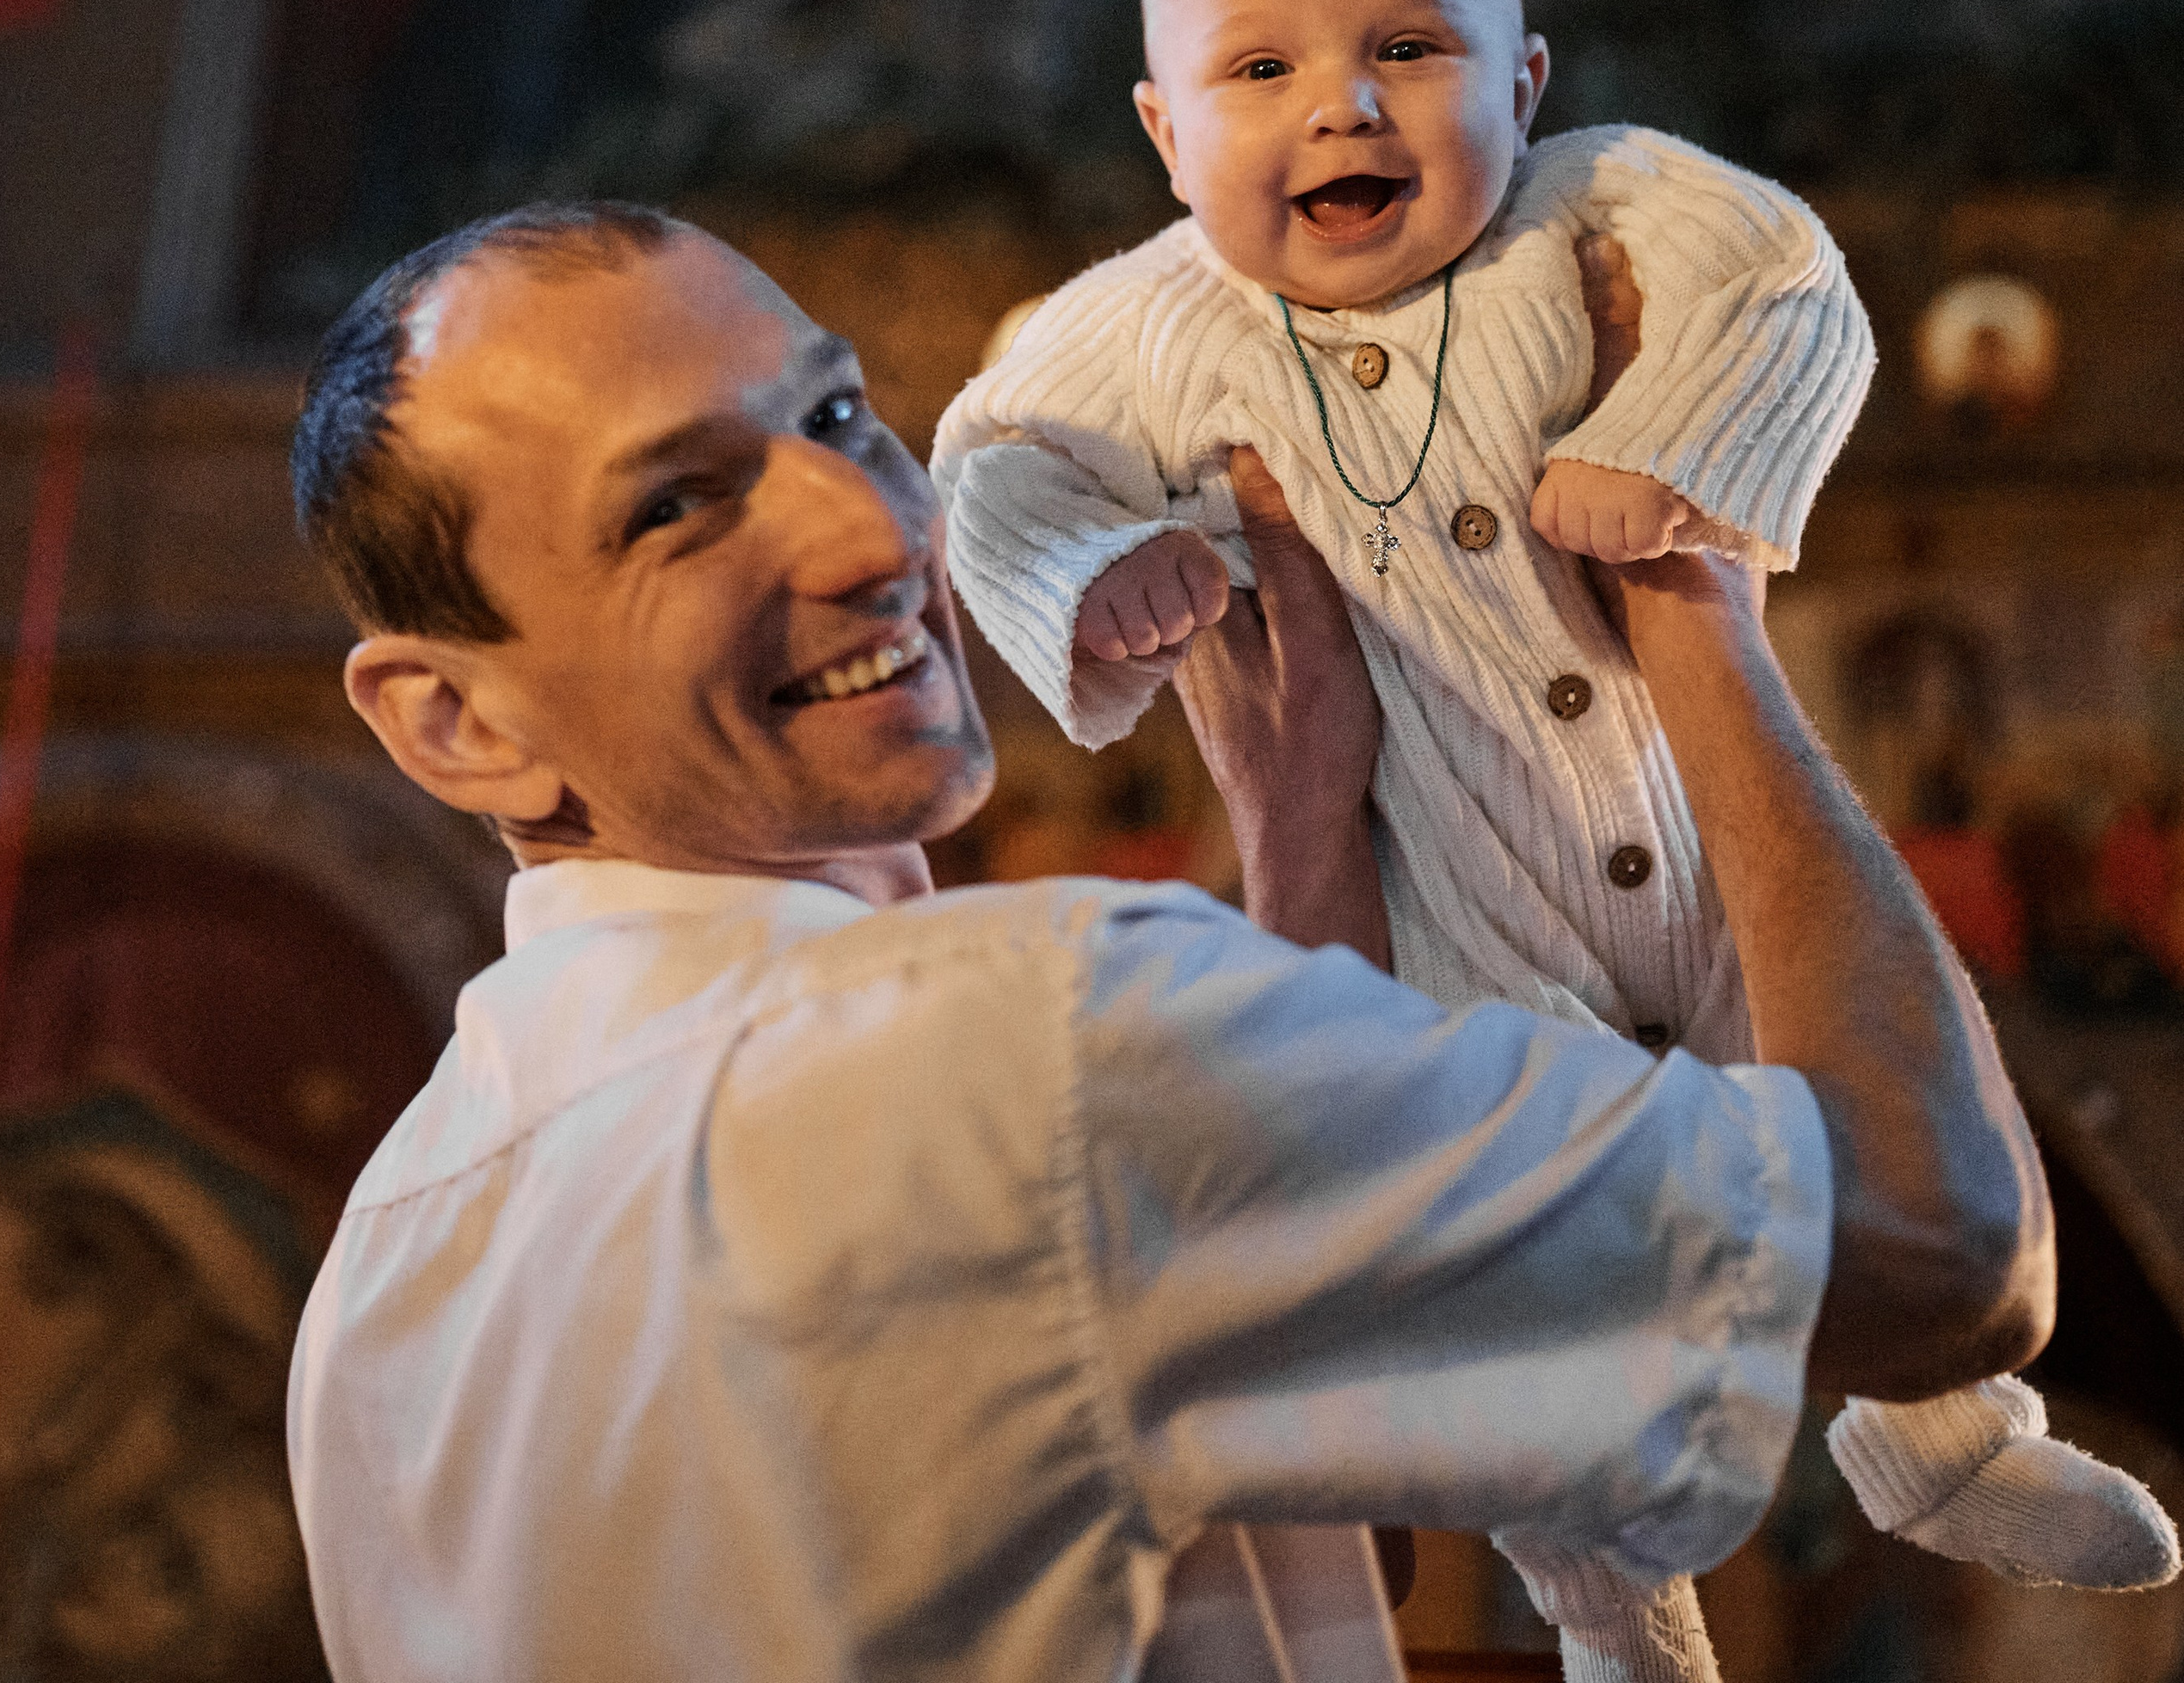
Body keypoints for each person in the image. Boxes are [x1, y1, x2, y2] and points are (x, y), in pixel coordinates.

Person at [285, 197, 2051, 1683]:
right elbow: (1933, 1243)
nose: (875, 533)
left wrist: (1302, 848)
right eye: (674, 507)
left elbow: (1296, 1543)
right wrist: (1684, 571)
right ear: (453, 725)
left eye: (833, 421)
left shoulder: (385, 1258)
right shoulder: (1026, 1035)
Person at [934, 0, 2177, 1682]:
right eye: (1259, 70)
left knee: (1836, 1096)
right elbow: (987, 461)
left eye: (1407, 51)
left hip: (1694, 836)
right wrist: (1088, 571)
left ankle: (1943, 1446)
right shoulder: (1141, 331)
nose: (1342, 109)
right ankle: (1615, 1627)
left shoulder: (1598, 206)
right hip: (1449, 889)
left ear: (1523, 79)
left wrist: (1668, 448)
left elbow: (1785, 288)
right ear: (1162, 133)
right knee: (1499, 1265)